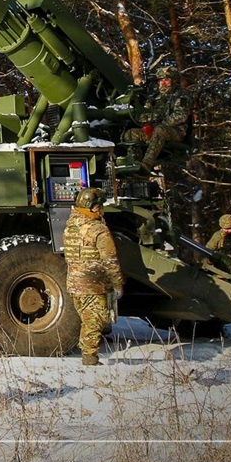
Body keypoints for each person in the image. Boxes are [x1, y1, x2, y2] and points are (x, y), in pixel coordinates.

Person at [63, 187, 124, 366]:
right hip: (93, 284)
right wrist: (117, 284)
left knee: (88, 321)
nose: (101, 209)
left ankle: (88, 355)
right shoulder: (98, 230)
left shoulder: (71, 227)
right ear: (93, 207)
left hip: (74, 284)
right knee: (94, 322)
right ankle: (89, 359)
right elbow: (110, 260)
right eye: (100, 206)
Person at [134, 65, 191, 174]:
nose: (163, 83)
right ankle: (132, 164)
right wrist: (147, 123)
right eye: (161, 80)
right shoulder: (155, 98)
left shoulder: (182, 96)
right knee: (130, 134)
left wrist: (161, 123)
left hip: (175, 131)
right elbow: (144, 114)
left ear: (174, 81)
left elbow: (181, 115)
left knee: (160, 130)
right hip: (155, 129)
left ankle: (146, 165)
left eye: (167, 80)